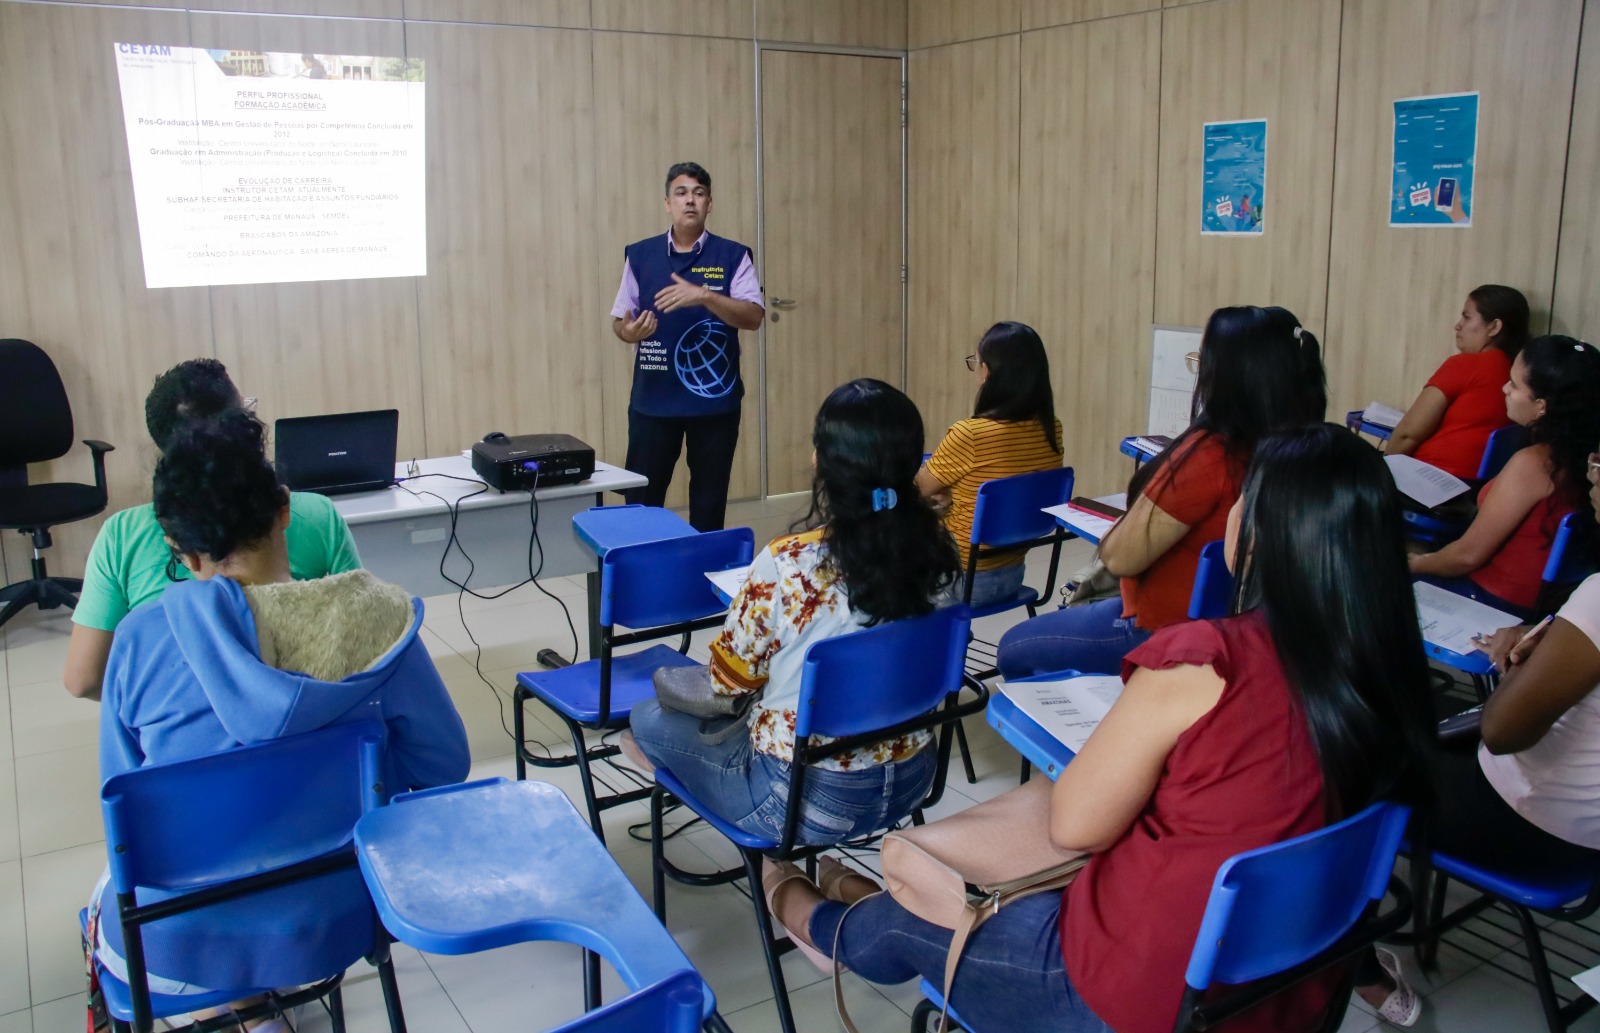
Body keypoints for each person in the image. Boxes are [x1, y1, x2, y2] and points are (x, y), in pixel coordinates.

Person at [763, 424, 1437, 1033]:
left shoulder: (1208, 661)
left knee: (911, 917)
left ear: (1264, 532)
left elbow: (1076, 826)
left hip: (1128, 995)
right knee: (945, 889)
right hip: (1280, 990)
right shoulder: (1394, 676)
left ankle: (811, 917)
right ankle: (855, 899)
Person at [92, 409, 470, 1010]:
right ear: (285, 509)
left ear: (180, 550)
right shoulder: (382, 621)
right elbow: (445, 765)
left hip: (176, 944)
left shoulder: (139, 639)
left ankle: (242, 1008)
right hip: (341, 917)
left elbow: (123, 805)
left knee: (104, 890)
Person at [624, 378, 959, 843]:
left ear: (822, 462)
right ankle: (805, 877)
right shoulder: (941, 551)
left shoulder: (787, 563)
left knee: (645, 720)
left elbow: (728, 683)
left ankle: (766, 861)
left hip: (804, 801)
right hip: (915, 777)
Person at [996, 305, 1326, 678]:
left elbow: (1120, 559)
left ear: (1228, 374)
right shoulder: (1304, 448)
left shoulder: (1211, 455)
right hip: (1245, 630)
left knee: (1013, 648)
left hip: (1165, 630)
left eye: (1201, 360)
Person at [63, 359, 361, 701]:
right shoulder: (316, 514)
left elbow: (83, 680)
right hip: (312, 711)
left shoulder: (121, 537)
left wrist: (161, 706)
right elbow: (361, 640)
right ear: (283, 512)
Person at [610, 161, 765, 532]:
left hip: (714, 405)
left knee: (709, 506)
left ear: (710, 203)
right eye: (681, 193)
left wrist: (704, 296)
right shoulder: (640, 255)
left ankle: (704, 565)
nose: (690, 200)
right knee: (642, 503)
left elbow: (753, 316)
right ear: (668, 203)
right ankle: (643, 564)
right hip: (653, 401)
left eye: (698, 193)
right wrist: (628, 333)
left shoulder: (733, 255)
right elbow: (620, 321)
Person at [1409, 335, 1600, 618]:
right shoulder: (1587, 458)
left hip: (1489, 601)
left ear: (1542, 406)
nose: (1504, 388)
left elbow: (1467, 556)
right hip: (1543, 606)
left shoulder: (1534, 464)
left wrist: (1413, 563)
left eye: (1514, 384)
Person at [915, 321, 1063, 608]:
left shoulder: (970, 434)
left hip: (959, 579)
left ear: (988, 371)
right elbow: (1013, 491)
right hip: (1013, 575)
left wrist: (939, 487)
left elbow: (917, 490)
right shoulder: (1051, 429)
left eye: (976, 363)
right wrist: (958, 492)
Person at [1385, 285, 1529, 480]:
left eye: (1467, 317)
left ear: (1494, 327)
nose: (1458, 326)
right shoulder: (1517, 374)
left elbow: (1407, 434)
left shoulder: (1465, 365)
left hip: (1429, 480)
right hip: (1477, 487)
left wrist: (1381, 477)